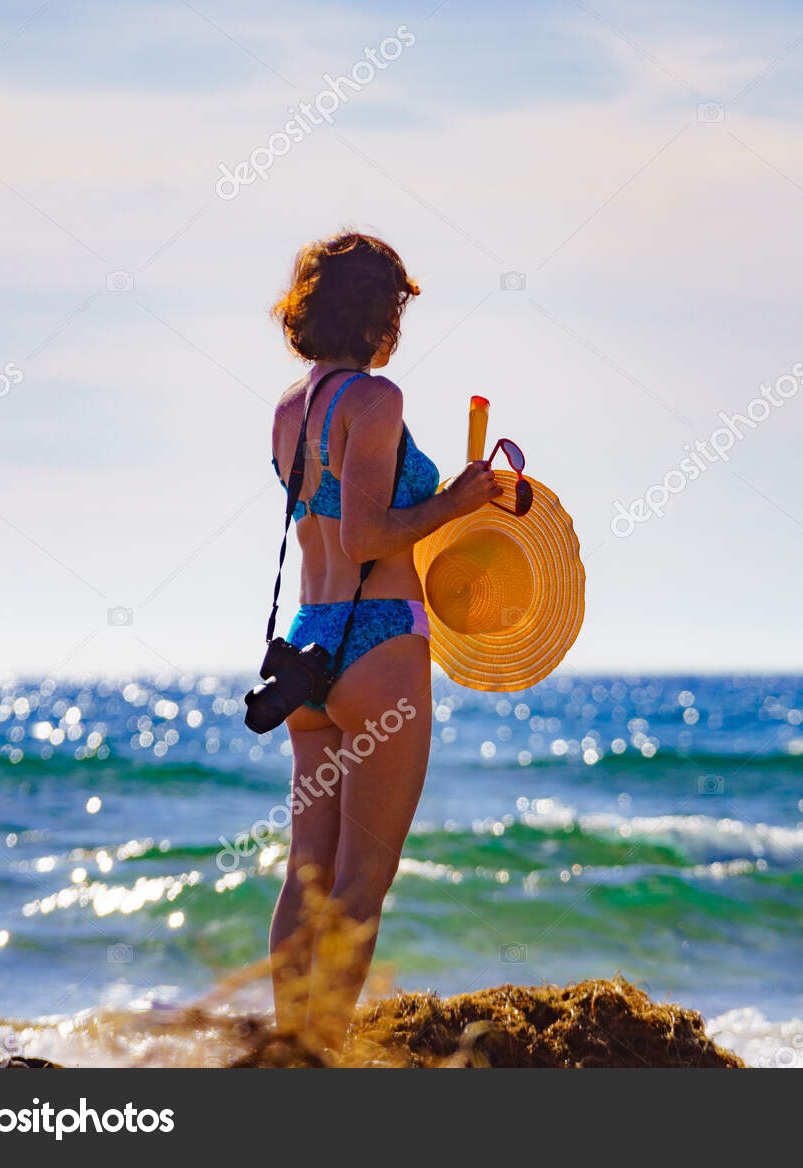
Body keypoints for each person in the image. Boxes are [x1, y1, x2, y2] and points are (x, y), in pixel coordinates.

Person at [264, 231, 498, 1044]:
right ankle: (323, 1054)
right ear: (377, 314)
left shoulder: (291, 407)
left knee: (308, 872)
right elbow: (368, 536)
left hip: (308, 648)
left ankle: (292, 1046)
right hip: (379, 642)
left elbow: (325, 525)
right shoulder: (376, 400)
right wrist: (460, 501)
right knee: (365, 877)